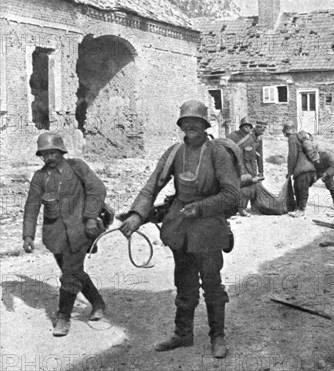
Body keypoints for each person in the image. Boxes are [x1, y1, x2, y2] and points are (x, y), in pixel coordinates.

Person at [120, 100, 240, 358]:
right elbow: (152, 186)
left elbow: (232, 195)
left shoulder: (217, 152)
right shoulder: (175, 152)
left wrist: (201, 208)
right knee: (184, 283)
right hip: (180, 228)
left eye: (196, 122)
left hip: (208, 227)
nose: (190, 126)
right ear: (181, 125)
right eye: (186, 122)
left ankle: (217, 336)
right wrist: (136, 215)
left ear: (205, 125)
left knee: (212, 284)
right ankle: (183, 333)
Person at [23, 132, 107, 337]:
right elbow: (32, 206)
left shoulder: (77, 167)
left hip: (80, 231)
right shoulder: (40, 177)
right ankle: (97, 302)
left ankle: (63, 318)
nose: (49, 157)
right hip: (56, 236)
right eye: (44, 154)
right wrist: (28, 235)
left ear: (61, 151)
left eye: (52, 153)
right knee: (75, 271)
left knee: (69, 274)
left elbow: (97, 190)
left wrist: (90, 217)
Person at [282, 121, 317, 218]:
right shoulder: (298, 137)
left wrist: (289, 172)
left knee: (301, 190)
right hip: (307, 168)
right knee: (298, 189)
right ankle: (299, 208)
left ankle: (301, 210)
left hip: (302, 169)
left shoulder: (292, 138)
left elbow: (292, 156)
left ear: (286, 132)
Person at [227, 117, 259, 216]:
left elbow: (253, 156)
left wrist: (254, 171)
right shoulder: (232, 136)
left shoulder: (251, 138)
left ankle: (242, 208)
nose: (247, 128)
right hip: (234, 166)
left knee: (247, 188)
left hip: (247, 167)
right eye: (245, 126)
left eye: (249, 126)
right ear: (241, 126)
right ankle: (233, 208)